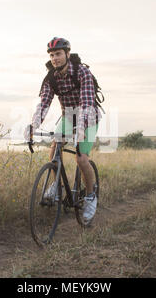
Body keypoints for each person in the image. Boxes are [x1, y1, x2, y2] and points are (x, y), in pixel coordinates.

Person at [24, 37, 102, 223]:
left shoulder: (82, 72)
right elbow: (44, 103)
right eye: (52, 55)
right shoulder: (51, 78)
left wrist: (81, 128)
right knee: (55, 148)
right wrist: (33, 125)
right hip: (68, 116)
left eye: (58, 54)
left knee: (81, 158)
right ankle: (56, 184)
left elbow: (86, 102)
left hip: (88, 115)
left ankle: (91, 196)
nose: (55, 58)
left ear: (67, 54)